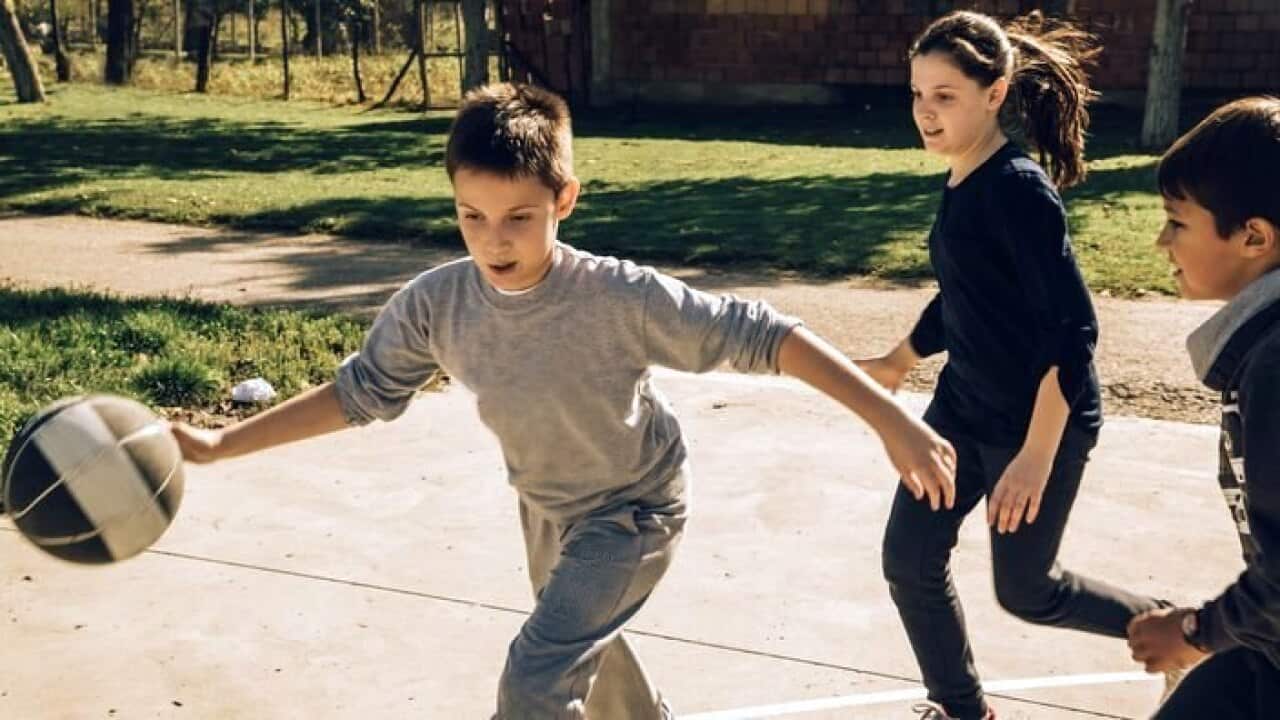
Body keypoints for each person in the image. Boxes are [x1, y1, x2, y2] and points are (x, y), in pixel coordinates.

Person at [170, 81, 957, 720]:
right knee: (593, 660)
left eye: (520, 218)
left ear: (565, 200)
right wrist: (217, 446)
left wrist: (894, 421)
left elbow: (766, 335)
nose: (494, 241)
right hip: (547, 512)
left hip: (635, 511)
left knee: (535, 684)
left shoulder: (618, 297)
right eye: (471, 218)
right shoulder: (436, 305)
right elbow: (359, 394)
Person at [856, 11, 1166, 719]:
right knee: (909, 558)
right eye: (917, 93)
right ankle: (963, 710)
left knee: (1027, 590)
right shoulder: (965, 179)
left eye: (945, 96)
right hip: (965, 410)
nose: (925, 113)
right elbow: (967, 295)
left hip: (1040, 420)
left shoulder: (1018, 189)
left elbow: (1072, 330)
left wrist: (1033, 455)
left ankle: (1177, 627)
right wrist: (898, 361)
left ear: (994, 95)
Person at [1126, 96, 1280, 719]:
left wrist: (1194, 632)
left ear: (1254, 236)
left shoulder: (1275, 365)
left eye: (1177, 222)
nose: (1163, 242)